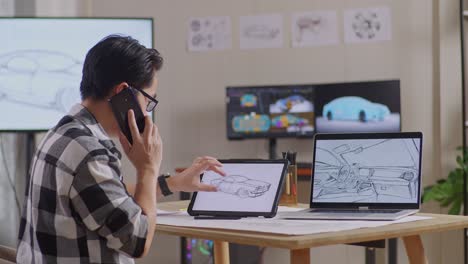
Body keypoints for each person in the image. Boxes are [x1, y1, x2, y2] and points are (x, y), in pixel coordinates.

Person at [17, 35, 225, 263]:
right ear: (122, 93)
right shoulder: (90, 153)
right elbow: (138, 241)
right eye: (148, 100)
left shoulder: (62, 133)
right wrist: (148, 167)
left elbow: (105, 192)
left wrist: (172, 183)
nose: (147, 111)